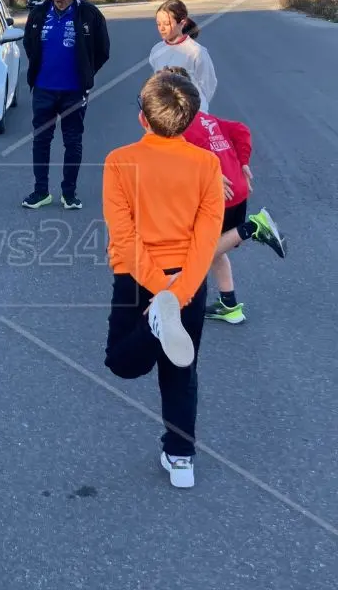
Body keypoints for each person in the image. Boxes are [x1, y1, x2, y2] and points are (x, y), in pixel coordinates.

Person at [102, 70, 224, 489]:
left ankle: (155, 327)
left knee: (121, 360)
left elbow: (124, 235)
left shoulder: (119, 161)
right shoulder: (207, 164)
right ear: (190, 119)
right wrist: (180, 292)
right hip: (188, 279)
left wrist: (160, 292)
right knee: (181, 371)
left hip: (138, 277)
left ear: (143, 117)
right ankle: (182, 457)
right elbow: (207, 237)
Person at [163, 66, 287, 324]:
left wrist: (210, 173)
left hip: (220, 195)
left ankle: (253, 227)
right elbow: (241, 129)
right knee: (217, 248)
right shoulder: (208, 119)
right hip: (236, 191)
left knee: (197, 253)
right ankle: (230, 305)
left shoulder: (179, 128)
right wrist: (243, 161)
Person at [21, 0, 110, 210]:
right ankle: (40, 192)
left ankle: (69, 194)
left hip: (74, 92)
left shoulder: (89, 14)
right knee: (41, 141)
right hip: (43, 90)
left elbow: (103, 51)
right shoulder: (39, 14)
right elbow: (30, 45)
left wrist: (85, 75)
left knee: (72, 142)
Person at [149, 0, 217, 113]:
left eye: (166, 24)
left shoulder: (196, 51)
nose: (161, 28)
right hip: (165, 114)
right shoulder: (156, 50)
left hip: (192, 114)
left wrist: (196, 106)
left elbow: (208, 84)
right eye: (158, 24)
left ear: (182, 22)